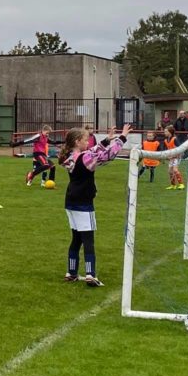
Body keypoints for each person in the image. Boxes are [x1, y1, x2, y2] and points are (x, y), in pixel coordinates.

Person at [58, 123, 132, 287]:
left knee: (76, 238)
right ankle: (90, 274)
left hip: (70, 202)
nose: (88, 142)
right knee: (88, 240)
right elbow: (108, 156)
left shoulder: (68, 156)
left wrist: (107, 140)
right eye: (86, 140)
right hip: (84, 203)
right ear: (78, 141)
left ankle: (71, 272)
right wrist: (122, 138)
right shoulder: (84, 158)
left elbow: (92, 152)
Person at [163, 125, 183, 190]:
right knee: (170, 171)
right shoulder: (166, 140)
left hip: (177, 157)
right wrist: (168, 156)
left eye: (166, 131)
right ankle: (173, 185)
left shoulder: (175, 139)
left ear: (170, 132)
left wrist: (176, 155)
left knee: (175, 170)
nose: (164, 133)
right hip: (171, 158)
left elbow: (180, 148)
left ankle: (181, 184)